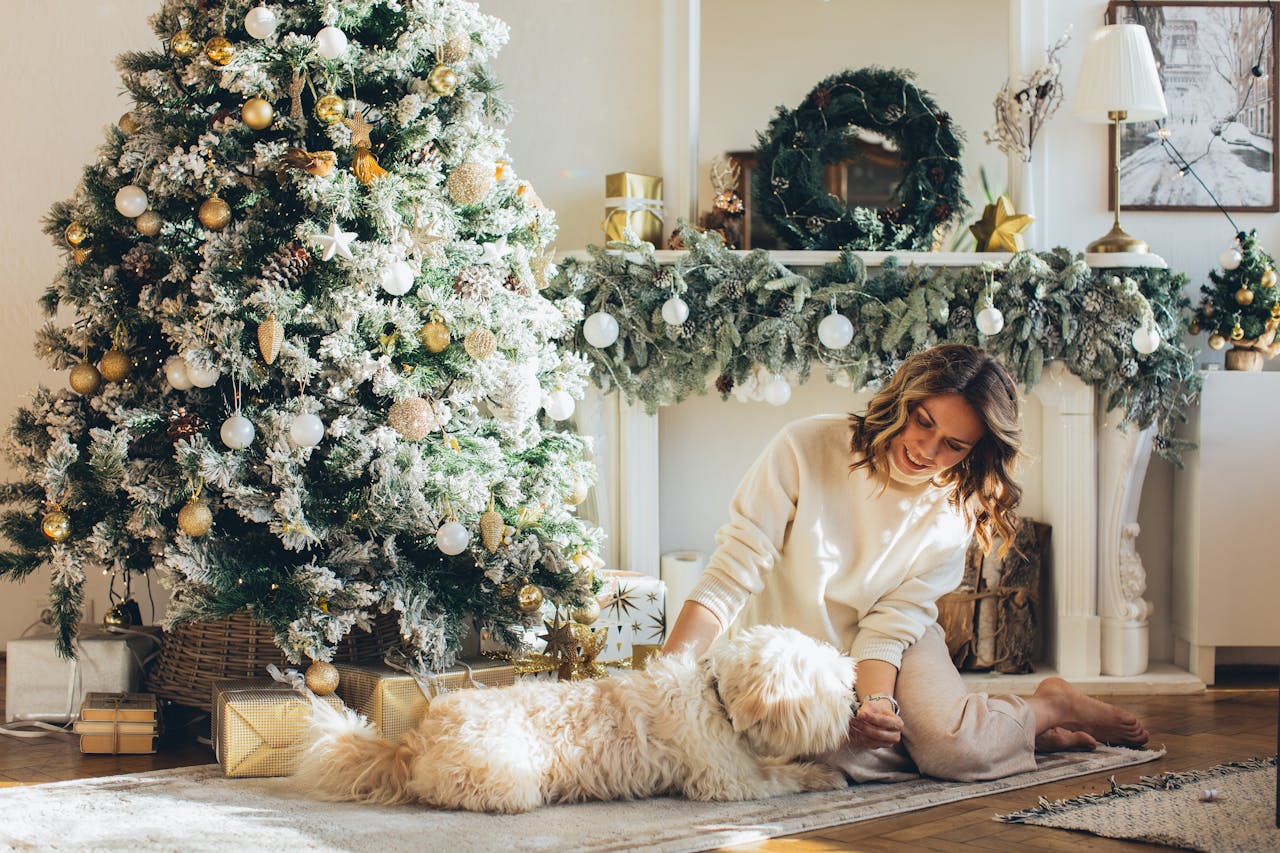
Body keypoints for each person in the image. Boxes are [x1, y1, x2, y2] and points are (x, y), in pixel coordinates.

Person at [662, 343, 1148, 783]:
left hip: (894, 645)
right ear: (903, 401)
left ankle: (1046, 707)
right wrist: (668, 679)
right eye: (923, 421)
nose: (925, 450)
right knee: (811, 752)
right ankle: (1000, 731)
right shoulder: (804, 447)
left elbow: (888, 627)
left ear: (975, 451)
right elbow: (733, 572)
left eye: (954, 445)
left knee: (956, 753)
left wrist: (877, 704)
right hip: (802, 652)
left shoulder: (954, 509)